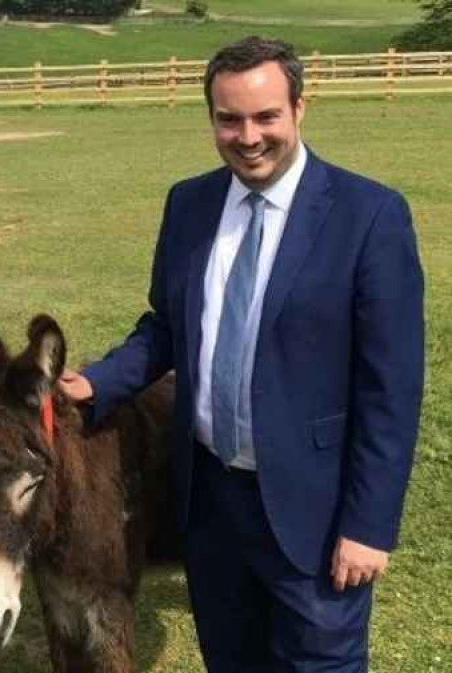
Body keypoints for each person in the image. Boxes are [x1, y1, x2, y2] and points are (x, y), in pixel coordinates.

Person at [58, 36, 424, 672]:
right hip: (211, 501)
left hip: (315, 509)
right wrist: (97, 383)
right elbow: (166, 328)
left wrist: (368, 525)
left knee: (320, 663)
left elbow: (390, 390)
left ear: (299, 109)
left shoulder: (369, 216)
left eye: (265, 117)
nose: (248, 136)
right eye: (229, 119)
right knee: (232, 659)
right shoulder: (190, 203)